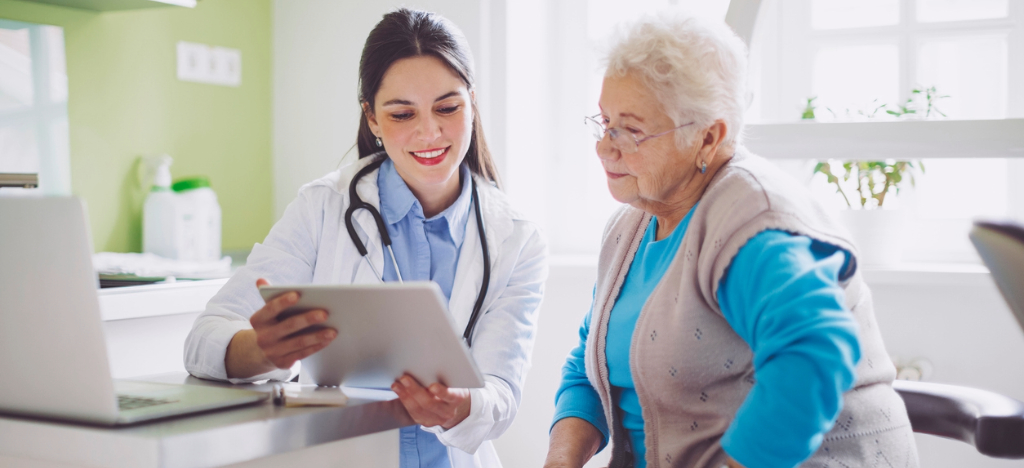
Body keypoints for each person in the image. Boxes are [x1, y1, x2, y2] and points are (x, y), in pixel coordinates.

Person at [544, 12, 919, 468]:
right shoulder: (631, 224)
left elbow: (814, 355)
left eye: (632, 130)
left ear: (708, 137)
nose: (605, 146)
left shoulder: (753, 218)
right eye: (605, 122)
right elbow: (591, 363)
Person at [184, 9, 547, 467]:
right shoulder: (323, 207)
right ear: (372, 119)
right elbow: (203, 338)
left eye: (448, 107)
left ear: (472, 103)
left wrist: (463, 404)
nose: (429, 132)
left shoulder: (516, 240)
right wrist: (261, 351)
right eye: (401, 114)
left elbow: (502, 393)